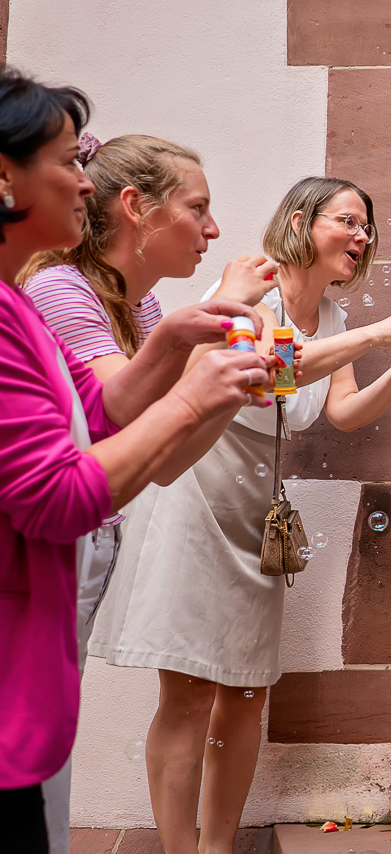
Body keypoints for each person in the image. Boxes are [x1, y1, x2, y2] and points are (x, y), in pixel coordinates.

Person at [89, 176, 391, 854]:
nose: (362, 235)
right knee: (190, 691)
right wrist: (381, 330)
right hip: (194, 498)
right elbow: (276, 369)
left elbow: (338, 410)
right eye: (347, 219)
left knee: (247, 695)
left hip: (257, 513)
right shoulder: (251, 288)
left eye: (367, 226)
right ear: (300, 221)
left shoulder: (334, 318)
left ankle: (218, 846)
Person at [0, 68, 270, 853]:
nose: (86, 178)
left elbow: (95, 410)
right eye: (65, 159)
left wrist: (182, 343)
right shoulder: (41, 297)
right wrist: (193, 395)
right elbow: (54, 491)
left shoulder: (19, 302)